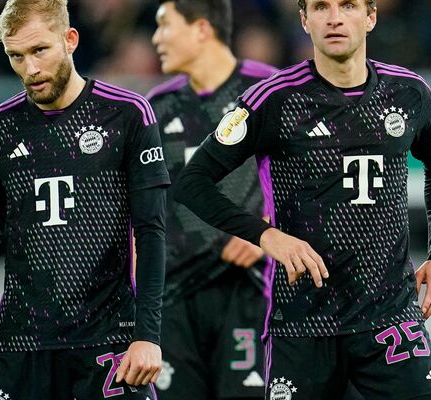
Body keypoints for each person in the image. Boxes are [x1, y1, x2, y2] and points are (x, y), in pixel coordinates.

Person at [174, 0, 431, 399]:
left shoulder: (409, 92)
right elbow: (192, 182)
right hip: (303, 322)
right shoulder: (271, 99)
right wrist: (266, 236)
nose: (335, 18)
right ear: (305, 20)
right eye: (321, 7)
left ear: (371, 17)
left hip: (389, 314)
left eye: (348, 6)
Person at [0, 1, 170, 399]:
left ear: (70, 40)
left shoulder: (128, 115)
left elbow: (150, 232)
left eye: (39, 50)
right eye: (16, 56)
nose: (30, 69)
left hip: (109, 340)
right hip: (23, 346)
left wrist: (148, 335)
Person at [147, 0, 277, 398]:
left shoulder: (269, 92)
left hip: (248, 293)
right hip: (173, 303)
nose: (156, 38)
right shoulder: (155, 107)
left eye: (165, 26)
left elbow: (313, 185)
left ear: (201, 29)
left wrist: (268, 231)